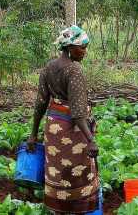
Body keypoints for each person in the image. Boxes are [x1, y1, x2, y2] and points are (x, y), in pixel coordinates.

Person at [28, 25, 99, 214]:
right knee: (77, 174)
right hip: (72, 130)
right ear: (69, 48)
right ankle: (76, 210)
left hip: (53, 128)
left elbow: (41, 103)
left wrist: (33, 134)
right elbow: (77, 112)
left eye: (85, 47)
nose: (84, 51)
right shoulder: (74, 69)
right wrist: (91, 140)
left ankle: (58, 209)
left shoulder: (49, 67)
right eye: (81, 47)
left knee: (57, 172)